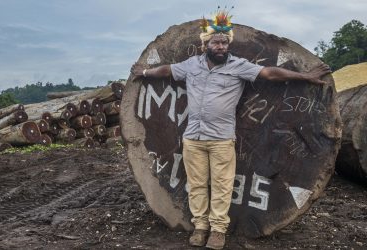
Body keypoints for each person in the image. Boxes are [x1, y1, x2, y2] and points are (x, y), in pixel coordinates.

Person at [130, 9, 331, 250]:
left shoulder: (239, 66)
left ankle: (217, 231)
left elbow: (269, 73)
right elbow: (167, 70)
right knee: (196, 184)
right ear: (206, 43)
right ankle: (200, 227)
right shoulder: (191, 65)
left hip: (221, 139)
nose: (221, 46)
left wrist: (304, 76)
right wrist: (143, 72)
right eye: (216, 42)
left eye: (225, 42)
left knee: (223, 185)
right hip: (193, 138)